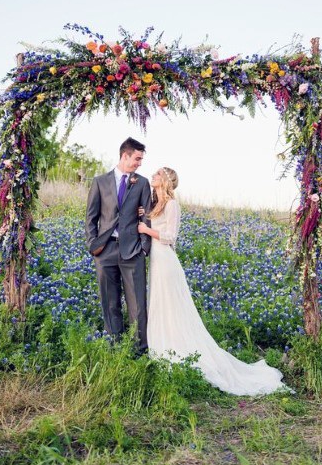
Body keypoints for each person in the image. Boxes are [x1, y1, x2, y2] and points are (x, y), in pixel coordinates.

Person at [137, 167, 286, 396]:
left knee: (171, 308)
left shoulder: (172, 204)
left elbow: (170, 237)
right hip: (156, 262)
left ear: (165, 180)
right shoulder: (155, 202)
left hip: (166, 262)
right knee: (160, 306)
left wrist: (147, 230)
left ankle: (175, 350)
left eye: (158, 173)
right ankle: (162, 347)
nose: (153, 175)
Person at [86, 138, 152, 355]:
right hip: (105, 251)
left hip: (132, 251)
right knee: (110, 302)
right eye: (137, 159)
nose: (139, 163)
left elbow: (147, 216)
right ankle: (115, 349)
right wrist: (93, 245)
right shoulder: (100, 182)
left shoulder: (142, 183)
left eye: (141, 159)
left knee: (137, 305)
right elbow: (91, 217)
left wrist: (144, 248)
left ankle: (138, 351)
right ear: (125, 155)